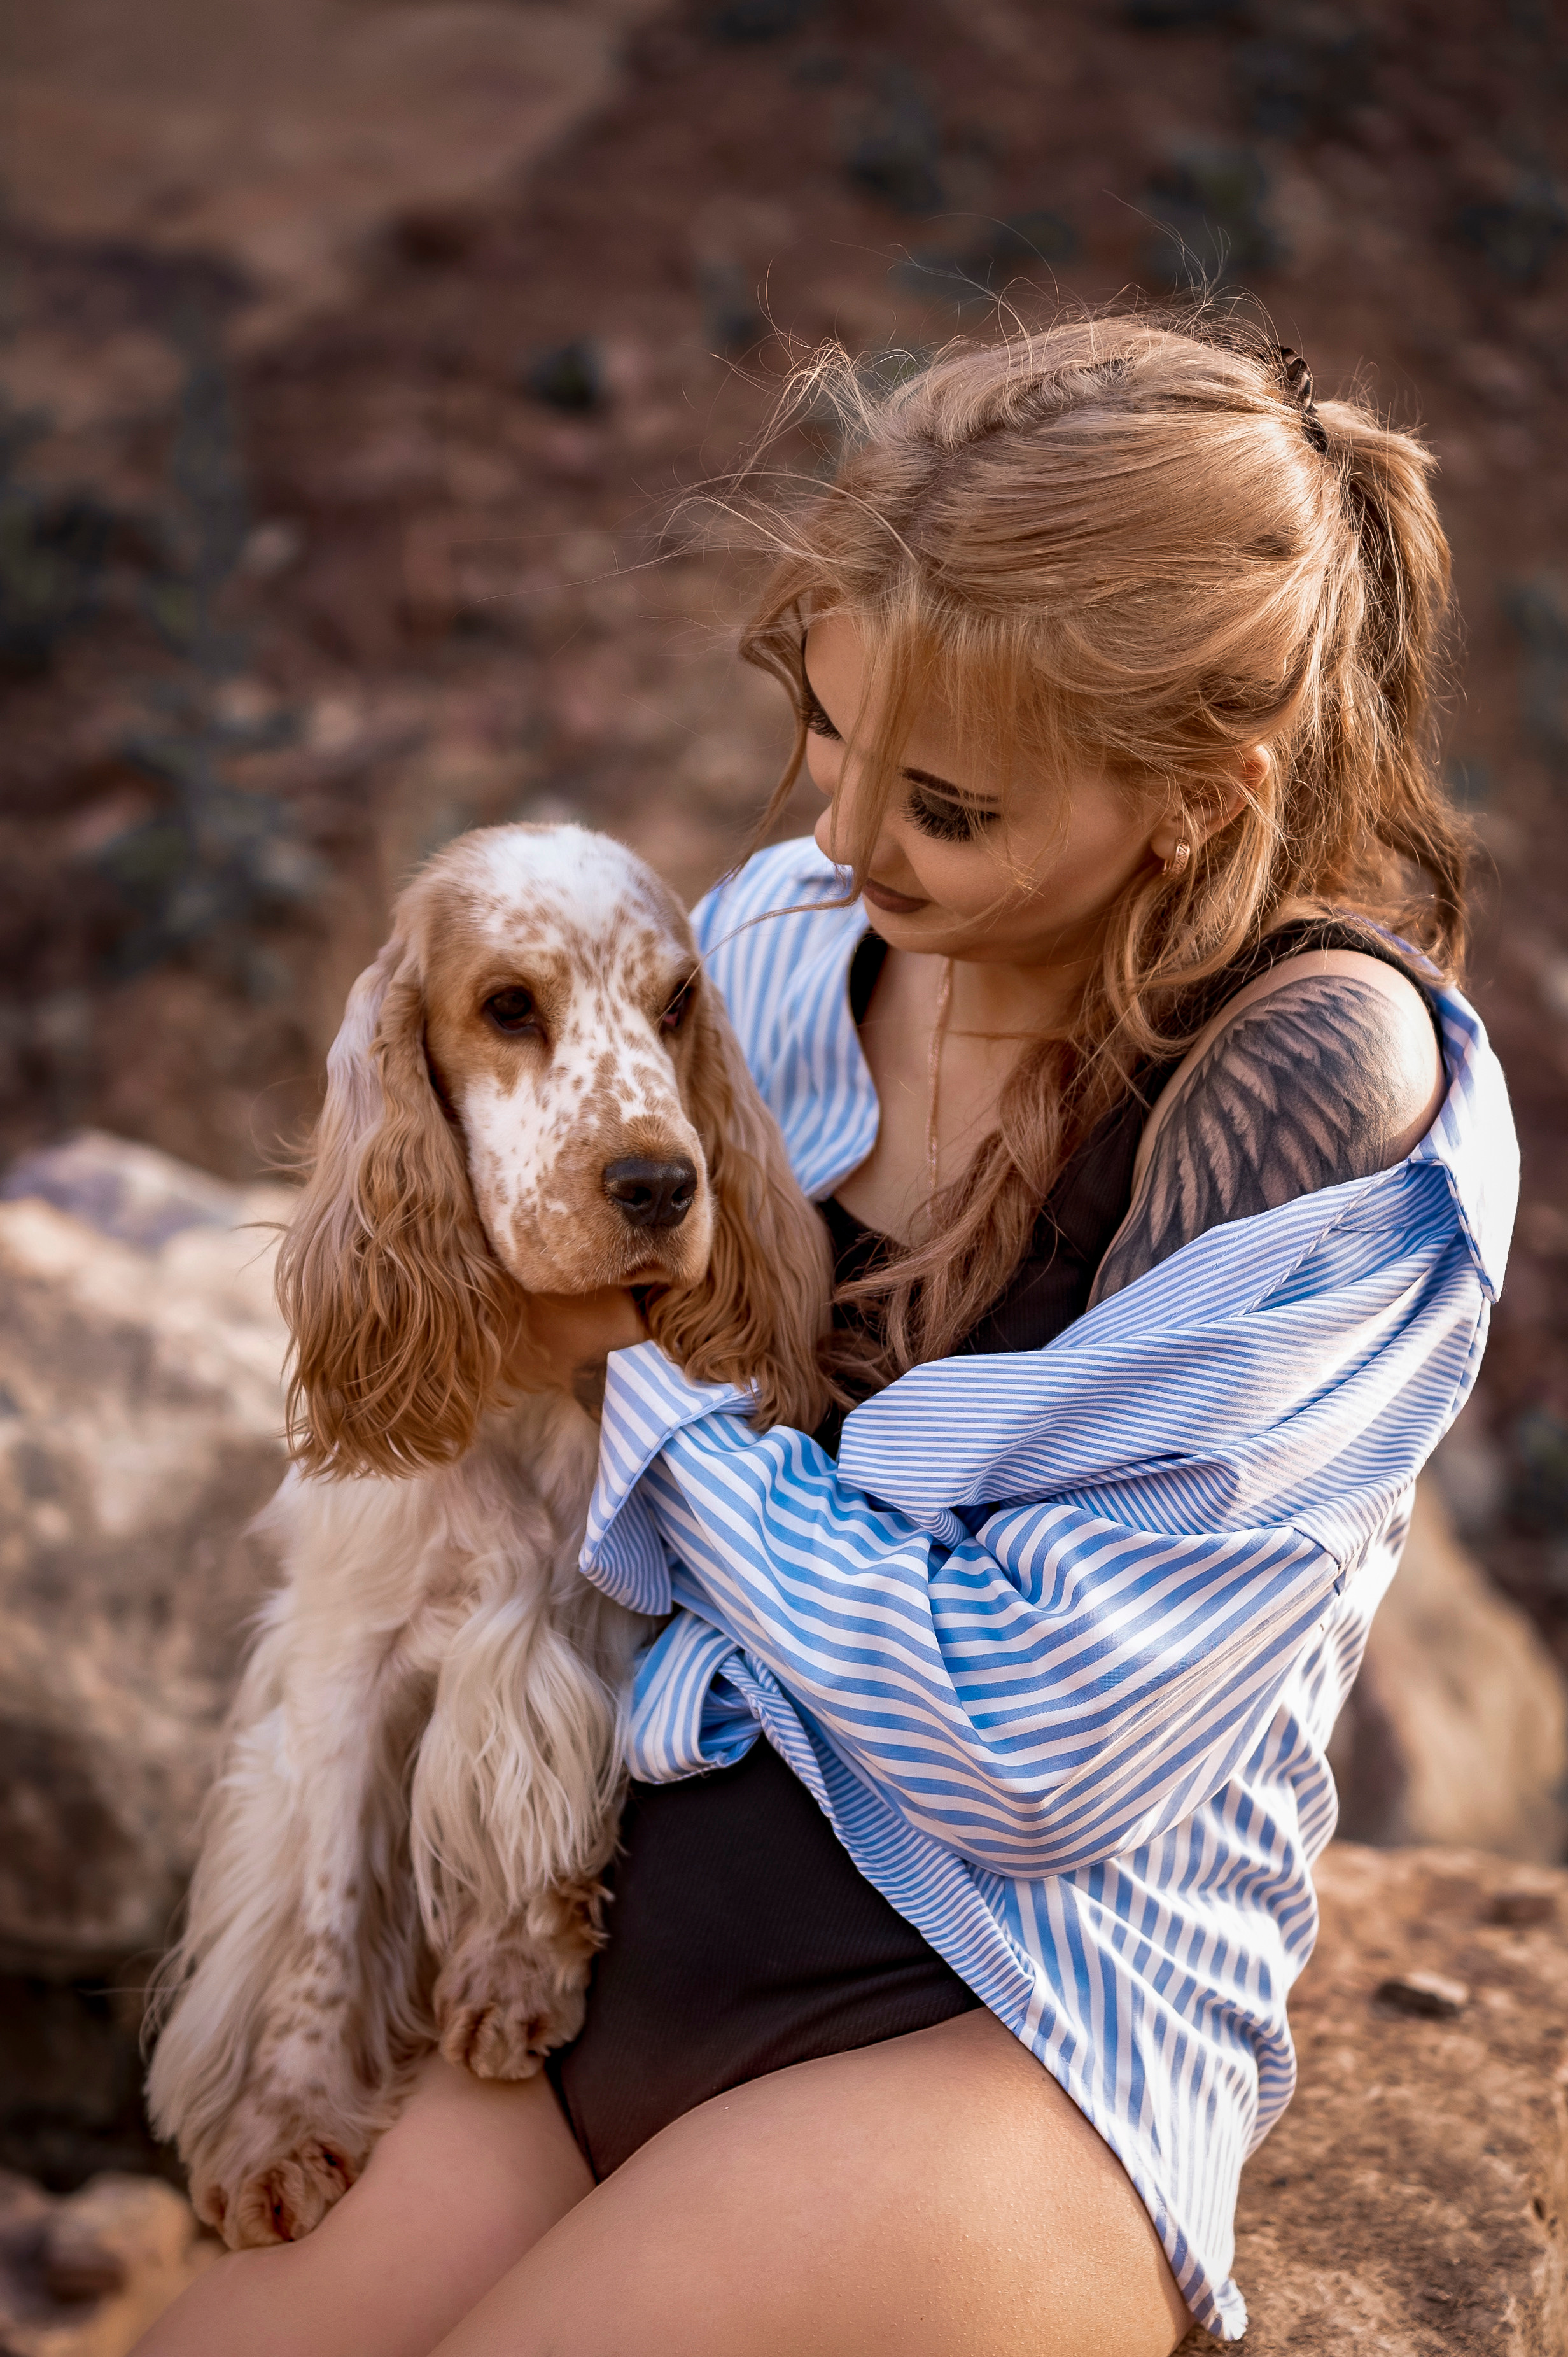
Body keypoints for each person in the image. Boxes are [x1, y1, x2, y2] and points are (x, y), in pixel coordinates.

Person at [134, 314, 1515, 2357]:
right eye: (828, 731)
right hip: (605, 1954)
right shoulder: (790, 942)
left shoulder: (1312, 1083)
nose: (847, 838)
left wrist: (635, 1391)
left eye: (942, 801)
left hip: (994, 2033)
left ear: (1194, 803)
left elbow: (1038, 1748)